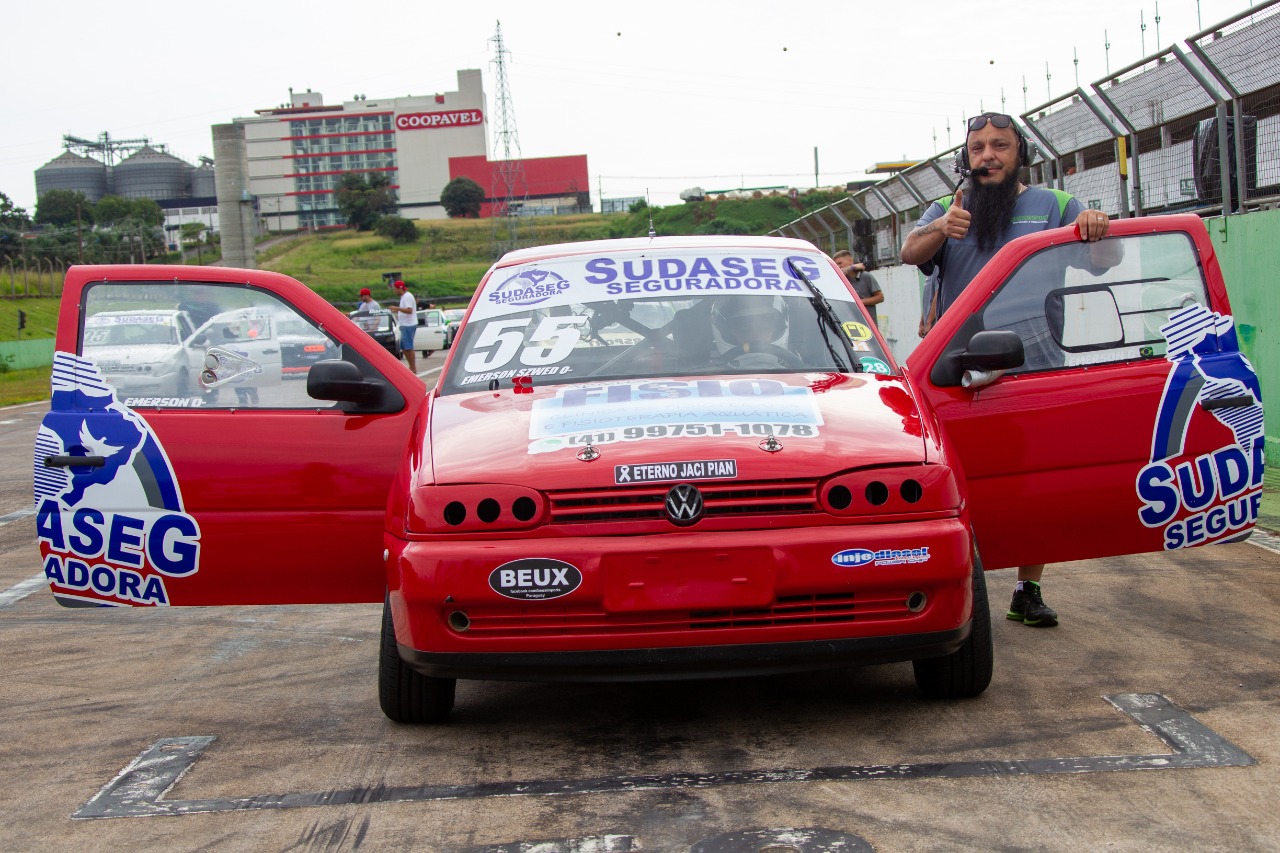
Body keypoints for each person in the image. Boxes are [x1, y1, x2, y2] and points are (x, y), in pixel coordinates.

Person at [900, 111, 1116, 629]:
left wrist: (1097, 227)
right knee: (956, 479)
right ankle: (959, 582)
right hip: (957, 371)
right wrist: (938, 227)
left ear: (1020, 154)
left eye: (999, 146)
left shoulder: (1057, 205)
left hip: (1035, 367)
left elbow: (1105, 259)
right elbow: (910, 252)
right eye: (977, 148)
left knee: (1034, 481)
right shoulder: (947, 207)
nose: (988, 156)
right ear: (965, 158)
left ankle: (1027, 588)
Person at [711, 296, 796, 370]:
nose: (756, 338)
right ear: (727, 334)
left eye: (764, 329)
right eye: (745, 331)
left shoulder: (804, 369)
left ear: (778, 330)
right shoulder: (704, 374)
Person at [832, 250, 884, 326]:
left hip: (868, 325)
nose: (838, 267)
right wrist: (852, 267)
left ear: (850, 260)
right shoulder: (840, 280)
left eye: (840, 263)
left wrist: (858, 303)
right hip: (849, 324)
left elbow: (880, 297)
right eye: (836, 265)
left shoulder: (866, 276)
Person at [392, 280, 418, 372]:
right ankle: (411, 366)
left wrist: (397, 308)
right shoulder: (404, 296)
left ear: (400, 289)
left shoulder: (407, 296)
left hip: (408, 324)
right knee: (404, 347)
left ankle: (413, 367)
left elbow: (409, 310)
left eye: (395, 289)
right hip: (405, 324)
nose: (394, 291)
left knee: (408, 347)